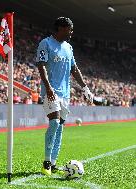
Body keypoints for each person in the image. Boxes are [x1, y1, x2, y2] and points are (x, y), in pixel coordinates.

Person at [36, 17, 93, 176]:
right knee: (54, 123)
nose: (71, 32)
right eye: (69, 29)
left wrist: (85, 88)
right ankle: (46, 162)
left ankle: (53, 163)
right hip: (51, 91)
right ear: (60, 28)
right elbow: (41, 65)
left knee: (60, 128)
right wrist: (47, 87)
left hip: (65, 94)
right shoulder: (45, 43)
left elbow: (74, 68)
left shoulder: (69, 47)